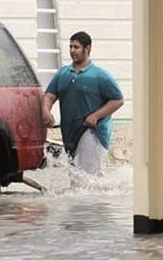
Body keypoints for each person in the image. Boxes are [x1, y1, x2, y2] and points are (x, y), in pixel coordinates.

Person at [42, 31, 125, 176]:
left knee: (86, 176)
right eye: (70, 47)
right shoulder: (63, 73)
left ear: (87, 49)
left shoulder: (99, 75)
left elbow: (118, 100)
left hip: (91, 131)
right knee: (77, 178)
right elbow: (49, 95)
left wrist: (96, 116)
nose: (72, 51)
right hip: (70, 132)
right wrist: (45, 111)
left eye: (76, 47)